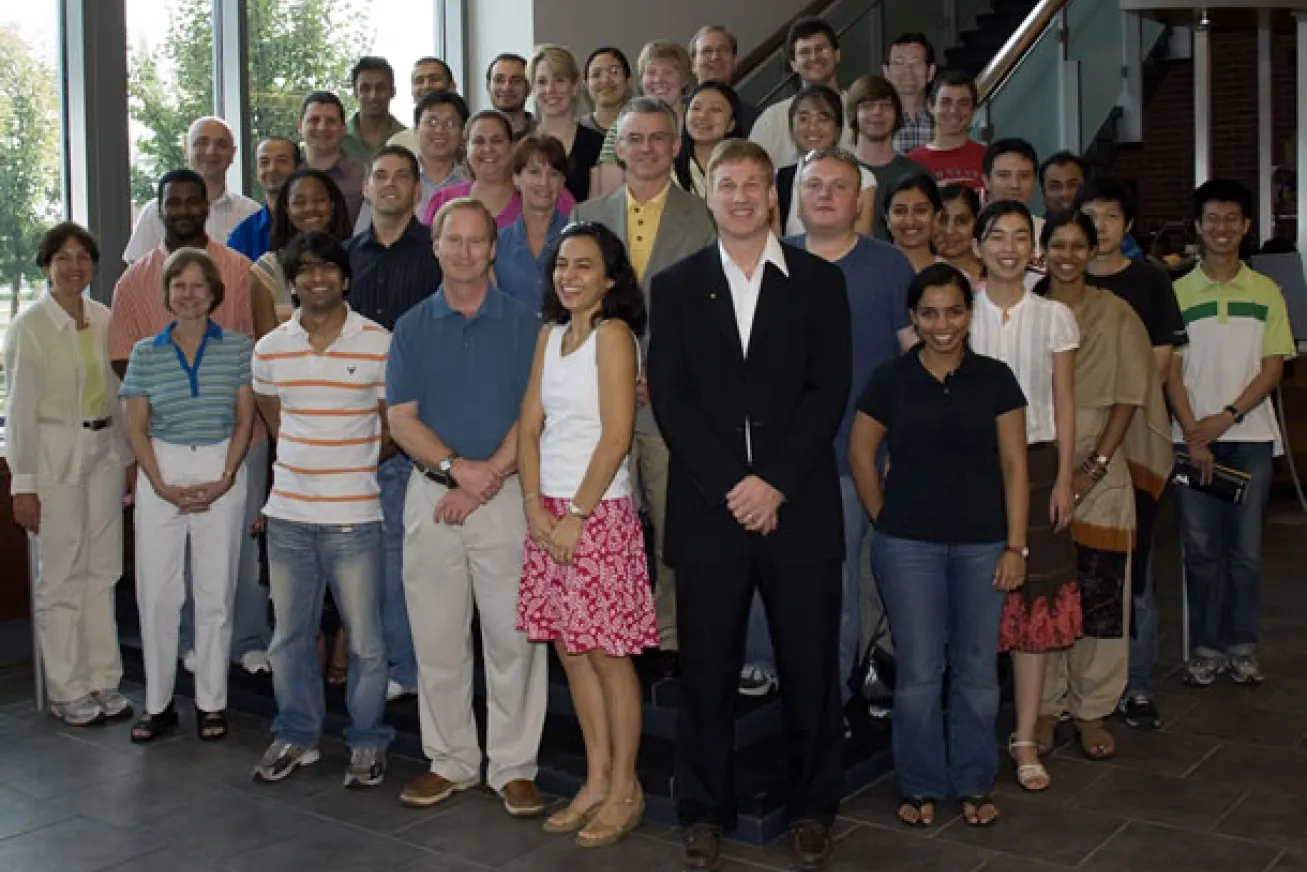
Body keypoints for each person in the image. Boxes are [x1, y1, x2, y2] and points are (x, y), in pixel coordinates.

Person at [648, 139, 850, 872]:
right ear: (709, 195)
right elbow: (670, 399)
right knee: (705, 670)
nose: (739, 196)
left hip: (797, 506)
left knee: (807, 666)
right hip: (710, 508)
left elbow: (827, 391)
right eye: (725, 183)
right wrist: (732, 485)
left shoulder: (819, 283)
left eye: (753, 185)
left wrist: (773, 483)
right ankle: (703, 810)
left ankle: (812, 806)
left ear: (773, 196)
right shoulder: (673, 287)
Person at [850, 262, 1028, 829]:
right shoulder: (891, 379)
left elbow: (1015, 466)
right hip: (909, 550)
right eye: (929, 313)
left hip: (984, 547)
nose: (942, 323)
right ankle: (921, 782)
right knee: (921, 672)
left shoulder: (996, 378)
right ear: (913, 318)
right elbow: (860, 456)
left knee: (977, 672)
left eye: (953, 311)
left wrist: (1016, 547)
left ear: (969, 315)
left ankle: (974, 782)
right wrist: (887, 520)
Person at [388, 199, 547, 816]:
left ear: (492, 249)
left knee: (514, 639)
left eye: (477, 242)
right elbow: (401, 421)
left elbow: (532, 416)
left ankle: (514, 767)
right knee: (437, 637)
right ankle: (450, 760)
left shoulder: (525, 324)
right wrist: (458, 471)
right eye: (454, 240)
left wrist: (485, 479)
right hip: (432, 500)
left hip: (505, 499)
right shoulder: (410, 327)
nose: (465, 252)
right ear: (437, 246)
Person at [518, 222, 658, 847]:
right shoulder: (549, 336)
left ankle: (627, 786)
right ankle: (596, 779)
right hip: (548, 510)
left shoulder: (614, 336)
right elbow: (527, 429)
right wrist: (533, 507)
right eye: (561, 265)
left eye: (583, 266)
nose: (568, 276)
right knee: (571, 654)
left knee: (607, 655)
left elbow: (617, 437)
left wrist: (575, 514)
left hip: (596, 513)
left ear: (609, 278)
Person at [573, 96, 718, 679]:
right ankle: (611, 626)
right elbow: (571, 304)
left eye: (660, 138)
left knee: (670, 521)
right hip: (599, 400)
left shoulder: (703, 217)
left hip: (670, 401)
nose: (648, 149)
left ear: (676, 146)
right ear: (620, 146)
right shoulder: (586, 213)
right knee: (607, 522)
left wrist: (658, 379)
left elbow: (713, 313)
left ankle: (671, 635)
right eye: (635, 138)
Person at [109, 169, 272, 678]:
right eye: (171, 201)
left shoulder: (241, 271)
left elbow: (257, 351)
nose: (181, 209)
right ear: (159, 209)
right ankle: (187, 643)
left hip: (242, 433)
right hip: (167, 437)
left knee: (239, 551)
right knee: (175, 556)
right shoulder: (134, 280)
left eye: (190, 200)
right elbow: (122, 359)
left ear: (207, 205)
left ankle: (246, 640)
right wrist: (165, 402)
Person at [770, 147, 916, 703]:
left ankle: (835, 698)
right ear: (796, 198)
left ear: (859, 201)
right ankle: (794, 685)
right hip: (784, 461)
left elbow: (911, 365)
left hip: (859, 459)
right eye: (814, 185)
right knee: (789, 585)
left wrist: (900, 447)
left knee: (850, 589)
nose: (825, 195)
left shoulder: (888, 265)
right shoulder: (771, 259)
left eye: (838, 186)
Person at [249, 230, 394, 787]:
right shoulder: (269, 349)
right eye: (304, 269)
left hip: (355, 516)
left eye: (327, 268)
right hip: (288, 517)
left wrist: (350, 463)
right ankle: (296, 734)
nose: (316, 277)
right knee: (288, 637)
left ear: (346, 277)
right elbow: (275, 422)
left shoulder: (378, 342)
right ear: (292, 282)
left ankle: (366, 742)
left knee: (365, 641)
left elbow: (390, 429)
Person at [1035, 210, 1173, 763]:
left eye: (1078, 245)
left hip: (1101, 463)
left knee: (1100, 593)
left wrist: (1090, 469)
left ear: (1093, 252)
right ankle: (1043, 704)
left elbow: (1129, 397)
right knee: (1043, 591)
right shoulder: (1025, 311)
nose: (1068, 255)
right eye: (1058, 245)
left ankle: (1093, 707)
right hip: (1039, 463)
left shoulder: (1115, 313)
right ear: (1042, 251)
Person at [120, 247, 255, 743]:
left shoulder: (238, 348)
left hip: (221, 465)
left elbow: (246, 419)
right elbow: (135, 426)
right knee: (157, 594)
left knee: (215, 593)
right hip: (163, 467)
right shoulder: (144, 352)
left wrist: (225, 476)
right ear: (167, 294)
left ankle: (211, 704)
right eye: (179, 285)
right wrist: (157, 483)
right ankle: (157, 706)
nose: (189, 294)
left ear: (213, 293)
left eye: (198, 285)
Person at [969, 200, 1079, 794]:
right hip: (971, 467)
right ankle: (971, 730)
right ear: (979, 244)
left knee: (1033, 610)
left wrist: (1064, 477)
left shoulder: (1055, 315)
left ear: (1032, 249)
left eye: (1020, 237)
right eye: (997, 236)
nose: (1008, 247)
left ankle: (1027, 736)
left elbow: (1063, 402)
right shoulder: (961, 309)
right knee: (975, 603)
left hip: (1037, 465)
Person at [5, 223, 133, 727]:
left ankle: (103, 678)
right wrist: (24, 485)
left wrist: (125, 460)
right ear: (46, 266)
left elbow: (119, 396)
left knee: (103, 570)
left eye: (83, 256)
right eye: (63, 257)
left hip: (103, 453)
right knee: (60, 574)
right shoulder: (30, 326)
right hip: (55, 458)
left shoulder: (104, 319)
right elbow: (19, 413)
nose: (74, 266)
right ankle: (67, 687)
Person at [1169, 179, 1293, 688]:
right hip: (1189, 438)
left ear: (1246, 227)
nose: (1221, 228)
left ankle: (1242, 646)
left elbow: (1272, 369)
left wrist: (1227, 416)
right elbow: (1168, 369)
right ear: (1198, 226)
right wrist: (1194, 431)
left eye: (1231, 220)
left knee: (1244, 551)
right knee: (1199, 550)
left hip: (1251, 437)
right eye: (1211, 219)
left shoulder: (1267, 292)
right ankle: (1205, 647)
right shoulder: (1176, 291)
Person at [1074, 177, 1187, 729]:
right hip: (1072, 443)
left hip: (1131, 432)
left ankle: (1137, 683)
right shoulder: (1054, 288)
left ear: (1128, 225)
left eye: (1111, 216)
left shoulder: (1147, 282)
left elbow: (1159, 364)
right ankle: (1079, 687)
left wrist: (1109, 417)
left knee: (1133, 567)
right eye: (1088, 216)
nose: (1099, 227)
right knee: (1081, 569)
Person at [346, 146, 445, 701]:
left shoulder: (434, 255)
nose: (388, 186)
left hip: (414, 433)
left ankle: (407, 669)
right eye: (379, 176)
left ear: (416, 191)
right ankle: (380, 665)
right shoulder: (346, 258)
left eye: (400, 177)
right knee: (366, 560)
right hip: (351, 431)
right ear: (365, 188)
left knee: (407, 564)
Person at [124, 117, 261, 264]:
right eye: (202, 142)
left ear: (233, 153)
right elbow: (137, 272)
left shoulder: (252, 214)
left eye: (221, 144)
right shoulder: (155, 212)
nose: (211, 151)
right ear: (185, 148)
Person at [421, 110, 577, 229]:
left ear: (512, 146)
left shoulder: (550, 195)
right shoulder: (443, 200)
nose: (488, 149)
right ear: (466, 149)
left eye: (497, 140)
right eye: (479, 141)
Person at [357, 91, 471, 234]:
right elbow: (362, 237)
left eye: (450, 123)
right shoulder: (390, 180)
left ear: (463, 133)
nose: (440, 130)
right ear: (416, 129)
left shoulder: (472, 183)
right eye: (432, 122)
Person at [748, 17, 852, 169]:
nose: (814, 57)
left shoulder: (859, 110)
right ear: (793, 64)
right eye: (804, 52)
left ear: (837, 55)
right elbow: (752, 170)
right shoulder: (772, 119)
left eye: (820, 49)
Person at [595, 41, 695, 196]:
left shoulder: (699, 123)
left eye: (668, 72)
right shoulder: (620, 127)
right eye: (651, 72)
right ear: (641, 80)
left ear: (685, 80)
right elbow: (610, 194)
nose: (659, 79)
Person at [774, 86, 875, 237]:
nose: (812, 127)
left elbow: (861, 243)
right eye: (803, 118)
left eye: (823, 118)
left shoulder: (863, 177)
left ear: (837, 128)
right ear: (792, 126)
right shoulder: (781, 177)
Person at [251, 168, 353, 318]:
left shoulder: (355, 257)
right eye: (299, 202)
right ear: (287, 209)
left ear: (332, 205)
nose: (310, 208)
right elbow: (265, 339)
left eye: (319, 201)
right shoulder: (268, 268)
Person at [847, 74, 929, 242]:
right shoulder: (841, 172)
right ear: (854, 114)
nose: (877, 112)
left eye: (886, 105)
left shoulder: (917, 173)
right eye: (868, 106)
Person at [496, 135, 570, 311]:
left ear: (562, 182)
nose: (544, 183)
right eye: (534, 172)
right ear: (516, 179)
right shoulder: (496, 243)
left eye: (553, 174)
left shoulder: (578, 238)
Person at [529, 44, 605, 202]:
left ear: (575, 86)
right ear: (533, 89)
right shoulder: (520, 145)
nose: (550, 89)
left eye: (559, 80)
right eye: (542, 81)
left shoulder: (597, 145)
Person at [906, 71, 985, 194]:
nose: (954, 110)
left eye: (963, 103)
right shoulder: (911, 164)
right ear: (931, 106)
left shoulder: (989, 159)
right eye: (946, 102)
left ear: (973, 110)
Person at [227, 137, 302, 263]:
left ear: (298, 168)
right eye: (264, 162)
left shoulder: (313, 223)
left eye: (282, 161)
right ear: (257, 171)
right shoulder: (243, 235)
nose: (272, 168)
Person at [983, 138, 1046, 285]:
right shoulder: (968, 233)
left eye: (1024, 176)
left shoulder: (1048, 232)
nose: (1015, 185)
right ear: (986, 180)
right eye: (1004, 175)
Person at [299, 91, 367, 225]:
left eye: (330, 121)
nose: (322, 127)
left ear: (343, 129)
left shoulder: (363, 175)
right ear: (300, 127)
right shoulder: (288, 173)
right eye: (314, 120)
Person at [673, 80, 743, 197]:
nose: (702, 115)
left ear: (731, 124)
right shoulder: (667, 168)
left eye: (715, 109)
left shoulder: (748, 167)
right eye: (696, 108)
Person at [687, 25, 759, 134]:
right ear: (693, 65)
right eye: (707, 51)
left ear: (734, 62)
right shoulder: (676, 112)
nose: (715, 57)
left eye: (723, 50)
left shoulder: (753, 118)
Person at [388, 56, 458, 155]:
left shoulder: (470, 138)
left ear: (452, 87)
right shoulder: (399, 144)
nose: (426, 86)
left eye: (434, 79)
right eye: (419, 81)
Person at [344, 56, 407, 162]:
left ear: (393, 91)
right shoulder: (336, 138)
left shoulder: (406, 139)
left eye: (380, 88)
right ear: (355, 93)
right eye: (365, 88)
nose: (373, 96)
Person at [882, 33, 937, 154]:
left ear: (931, 72)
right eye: (899, 63)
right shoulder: (875, 120)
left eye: (916, 63)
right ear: (886, 73)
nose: (907, 70)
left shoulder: (944, 120)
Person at [883, 173, 942, 273]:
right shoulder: (868, 273)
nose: (910, 221)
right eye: (899, 211)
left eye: (920, 211)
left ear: (936, 217)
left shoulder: (955, 277)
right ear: (887, 219)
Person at [935, 184, 984, 282]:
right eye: (943, 220)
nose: (950, 231)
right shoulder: (919, 272)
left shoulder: (996, 271)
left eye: (962, 221)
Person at [581, 46, 631, 135]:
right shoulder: (576, 131)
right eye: (596, 74)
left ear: (628, 81)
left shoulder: (641, 127)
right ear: (586, 84)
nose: (605, 81)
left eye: (614, 72)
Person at [487, 53, 536, 140]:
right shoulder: (472, 137)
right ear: (488, 86)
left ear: (528, 88)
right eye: (499, 80)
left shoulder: (543, 137)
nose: (506, 88)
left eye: (516, 81)